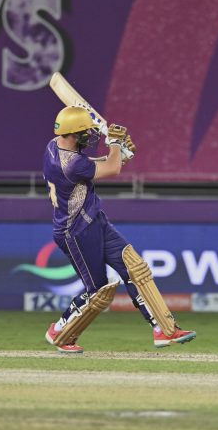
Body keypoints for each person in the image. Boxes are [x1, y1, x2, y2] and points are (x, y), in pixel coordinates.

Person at [42, 106, 196, 353]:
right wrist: (115, 146)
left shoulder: (55, 145)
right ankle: (60, 331)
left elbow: (94, 164)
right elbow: (110, 169)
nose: (90, 136)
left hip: (95, 220)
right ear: (72, 135)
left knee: (135, 268)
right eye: (85, 133)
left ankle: (164, 330)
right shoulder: (70, 164)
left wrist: (120, 154)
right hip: (76, 231)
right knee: (99, 292)